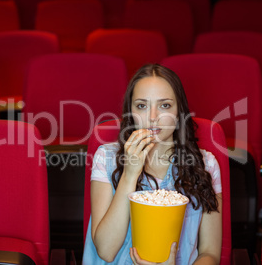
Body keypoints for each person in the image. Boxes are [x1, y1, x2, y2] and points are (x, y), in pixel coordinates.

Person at [82, 64, 222, 265]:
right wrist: (130, 173)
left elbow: (210, 252)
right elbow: (105, 250)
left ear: (179, 111)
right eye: (142, 106)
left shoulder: (206, 164)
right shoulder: (107, 157)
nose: (153, 117)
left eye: (164, 105)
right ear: (130, 112)